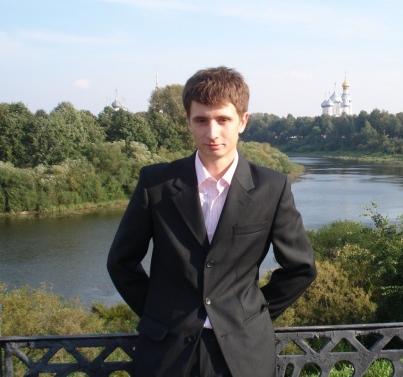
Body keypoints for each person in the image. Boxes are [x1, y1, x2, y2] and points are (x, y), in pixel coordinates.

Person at [107, 66, 317, 377]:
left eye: (223, 120)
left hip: (243, 354)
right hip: (167, 353)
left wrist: (249, 315)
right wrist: (159, 313)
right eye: (201, 120)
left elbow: (301, 268)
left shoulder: (272, 188)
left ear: (242, 121)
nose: (212, 132)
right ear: (188, 122)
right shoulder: (156, 184)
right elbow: (121, 262)